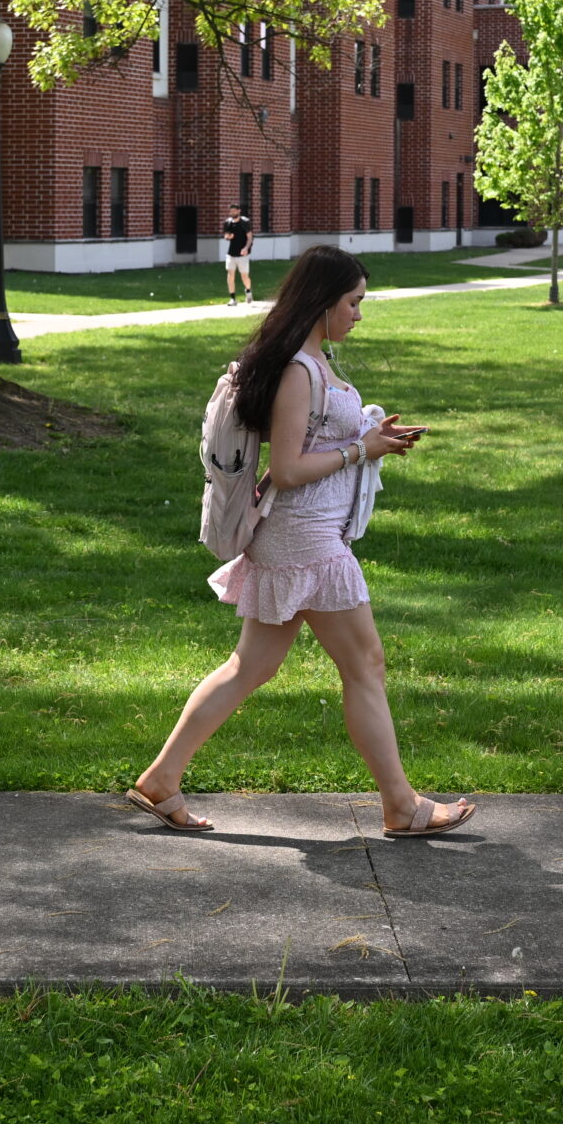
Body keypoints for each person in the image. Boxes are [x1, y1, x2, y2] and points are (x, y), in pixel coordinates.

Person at [129, 244, 475, 838]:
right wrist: (358, 450)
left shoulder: (312, 361)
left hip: (300, 538)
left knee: (249, 667)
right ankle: (402, 805)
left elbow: (311, 446)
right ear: (322, 301)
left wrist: (372, 436)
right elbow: (288, 468)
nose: (359, 314)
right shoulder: (298, 369)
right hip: (305, 541)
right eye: (353, 302)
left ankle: (161, 779)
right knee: (365, 663)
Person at [221, 206, 254, 305]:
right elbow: (226, 235)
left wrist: (246, 248)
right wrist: (227, 237)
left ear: (239, 211)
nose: (232, 212)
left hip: (242, 254)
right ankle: (232, 299)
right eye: (231, 211)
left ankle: (248, 290)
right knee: (230, 275)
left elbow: (249, 238)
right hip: (231, 253)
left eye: (234, 211)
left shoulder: (245, 223)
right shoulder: (228, 223)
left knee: (244, 276)